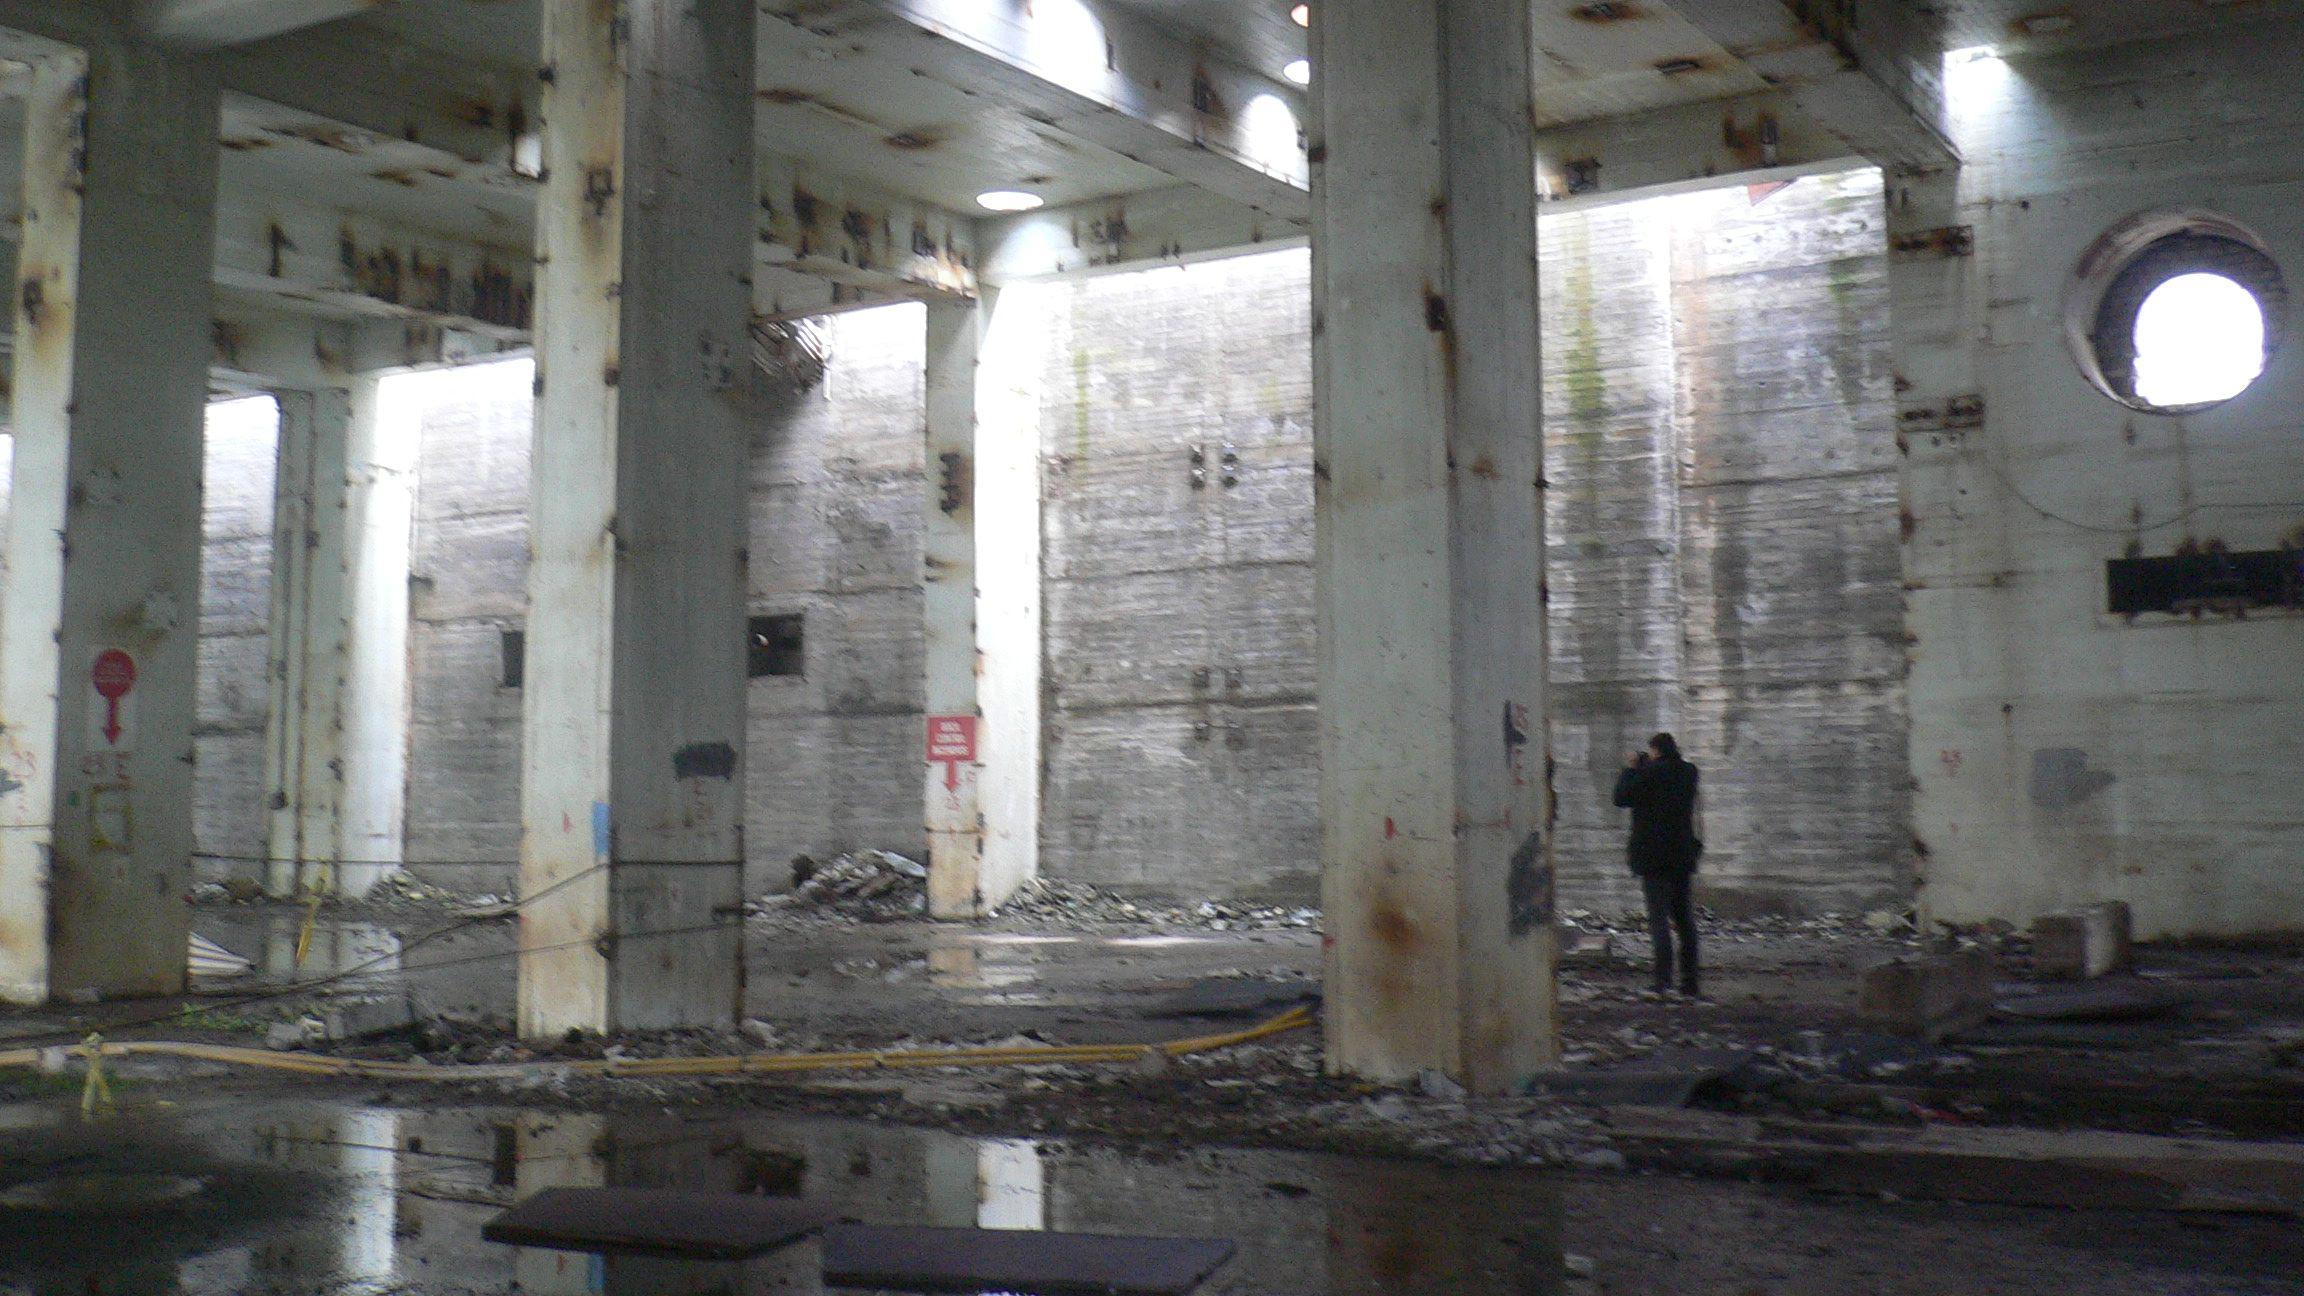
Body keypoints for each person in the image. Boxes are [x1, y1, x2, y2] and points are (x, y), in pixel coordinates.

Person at [1612, 732, 1703, 998]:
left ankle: (1663, 982)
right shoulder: (1689, 772)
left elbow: (1621, 797)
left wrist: (1631, 768)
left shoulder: (1648, 774)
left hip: (1653, 859)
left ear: (1655, 750)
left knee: (1659, 920)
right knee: (1684, 921)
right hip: (1682, 857)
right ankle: (1690, 982)